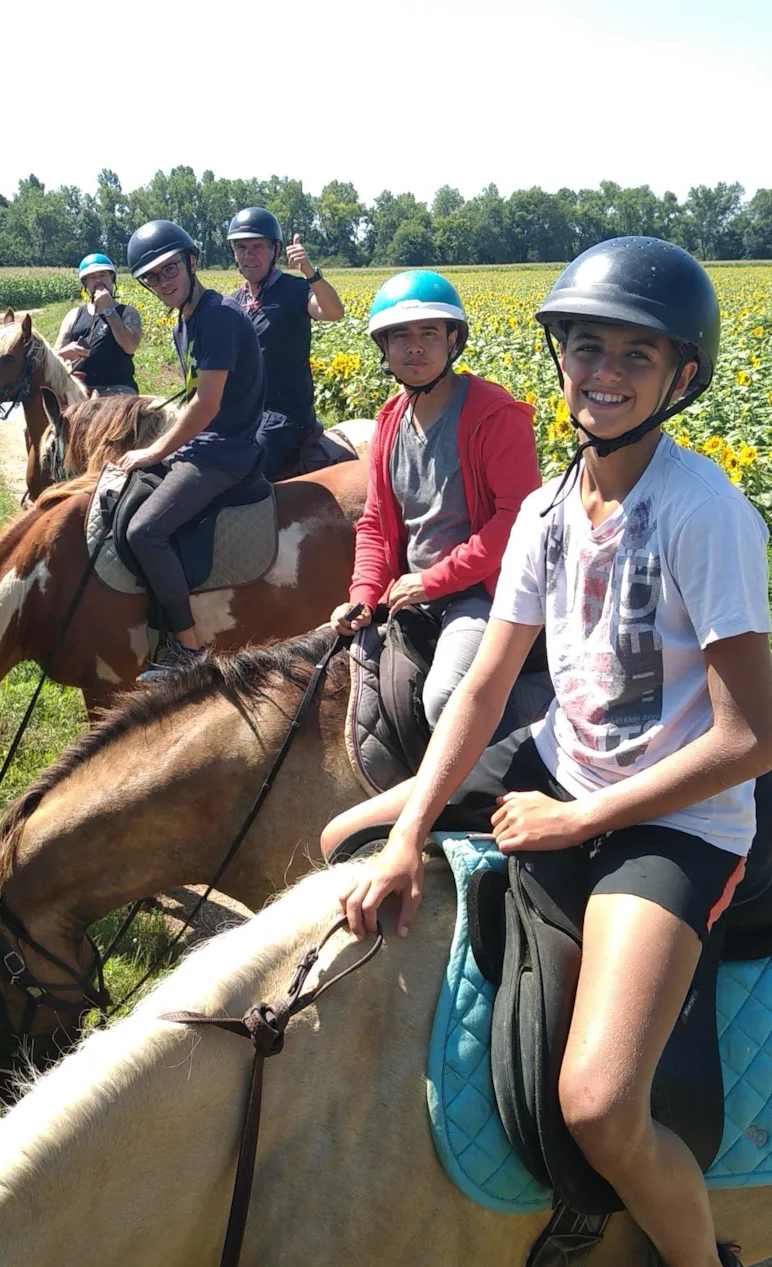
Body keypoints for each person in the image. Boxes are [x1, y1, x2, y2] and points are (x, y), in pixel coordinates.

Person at [328, 238, 772, 1267]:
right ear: (556, 358)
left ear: (681, 376)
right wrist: (400, 829)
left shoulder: (703, 514)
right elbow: (484, 686)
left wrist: (580, 819)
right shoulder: (543, 510)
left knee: (599, 1103)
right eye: (584, 349)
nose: (602, 375)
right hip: (558, 761)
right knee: (341, 834)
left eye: (634, 355)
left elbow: (751, 734)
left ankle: (698, 1259)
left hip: (674, 815)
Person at [329, 269, 543, 730]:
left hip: (479, 595)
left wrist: (433, 581)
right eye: (400, 336)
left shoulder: (495, 415)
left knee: (446, 699)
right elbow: (372, 524)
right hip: (413, 592)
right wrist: (363, 595)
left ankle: (512, 765)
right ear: (383, 348)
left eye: (429, 332)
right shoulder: (388, 421)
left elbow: (514, 521)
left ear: (453, 340)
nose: (415, 347)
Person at [122, 219, 265, 675]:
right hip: (203, 446)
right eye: (152, 278)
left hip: (224, 452)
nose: (163, 283)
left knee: (144, 530)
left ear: (191, 262)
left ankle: (188, 653)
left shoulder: (218, 318)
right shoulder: (185, 323)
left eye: (169, 271)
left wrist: (156, 451)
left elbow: (206, 404)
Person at [227, 206, 344, 479]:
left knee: (247, 469)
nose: (249, 255)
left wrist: (309, 271)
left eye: (258, 246)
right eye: (241, 247)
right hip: (245, 410)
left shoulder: (294, 290)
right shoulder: (234, 300)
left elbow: (333, 312)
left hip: (284, 414)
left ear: (275, 250)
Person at [55, 253, 141, 395]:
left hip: (117, 387)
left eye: (103, 275)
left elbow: (130, 346)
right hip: (79, 386)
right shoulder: (73, 315)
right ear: (86, 284)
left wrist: (108, 309)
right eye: (92, 277)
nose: (98, 281)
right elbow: (55, 354)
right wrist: (65, 353)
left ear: (112, 279)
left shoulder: (127, 312)